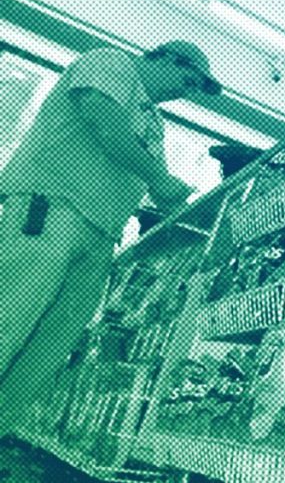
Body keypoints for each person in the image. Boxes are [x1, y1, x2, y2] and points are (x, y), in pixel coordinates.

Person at [0, 40, 222, 437]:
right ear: (167, 58)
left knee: (47, 348)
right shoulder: (111, 64)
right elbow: (103, 120)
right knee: (9, 319)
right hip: (52, 210)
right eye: (188, 80)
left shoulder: (154, 124)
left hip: (101, 237)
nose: (184, 93)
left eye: (193, 91)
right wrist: (158, 178)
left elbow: (159, 192)